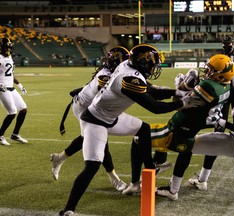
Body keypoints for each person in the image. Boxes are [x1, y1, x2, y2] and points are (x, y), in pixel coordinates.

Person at [59, 44, 198, 216]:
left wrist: (175, 92)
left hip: (111, 116)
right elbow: (154, 106)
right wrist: (181, 104)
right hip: (95, 121)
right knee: (92, 166)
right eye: (152, 64)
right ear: (142, 63)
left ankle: (150, 167)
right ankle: (68, 210)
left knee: (143, 129)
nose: (154, 67)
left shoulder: (127, 67)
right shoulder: (129, 79)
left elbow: (150, 90)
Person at [122, 53, 234, 199]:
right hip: (191, 129)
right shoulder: (225, 88)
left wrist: (182, 84)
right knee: (184, 151)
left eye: (211, 70)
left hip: (177, 129)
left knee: (139, 137)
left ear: (220, 76)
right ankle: (173, 189)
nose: (207, 71)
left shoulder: (208, 86)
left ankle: (141, 178)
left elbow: (180, 103)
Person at [50, 46, 130, 192]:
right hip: (84, 107)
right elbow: (107, 89)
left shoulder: (110, 72)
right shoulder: (106, 74)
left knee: (87, 137)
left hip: (90, 105)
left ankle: (59, 158)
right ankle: (114, 179)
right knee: (100, 139)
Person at [122, 67, 200, 195]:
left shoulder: (202, 94)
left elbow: (159, 107)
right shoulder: (215, 91)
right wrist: (178, 90)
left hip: (175, 132)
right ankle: (161, 166)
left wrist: (180, 91)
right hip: (186, 137)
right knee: (158, 134)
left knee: (138, 137)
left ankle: (138, 181)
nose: (207, 71)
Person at [196, 35, 234, 184]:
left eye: (229, 44)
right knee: (220, 122)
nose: (227, 46)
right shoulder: (219, 57)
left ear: (233, 44)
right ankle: (220, 136)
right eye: (225, 44)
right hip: (225, 89)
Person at [0, 37, 28, 146]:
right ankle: (0, 135)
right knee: (12, 112)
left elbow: (10, 74)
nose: (10, 50)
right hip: (2, 89)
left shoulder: (10, 58)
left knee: (23, 110)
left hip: (11, 88)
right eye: (8, 48)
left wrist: (20, 85)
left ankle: (15, 134)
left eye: (10, 48)